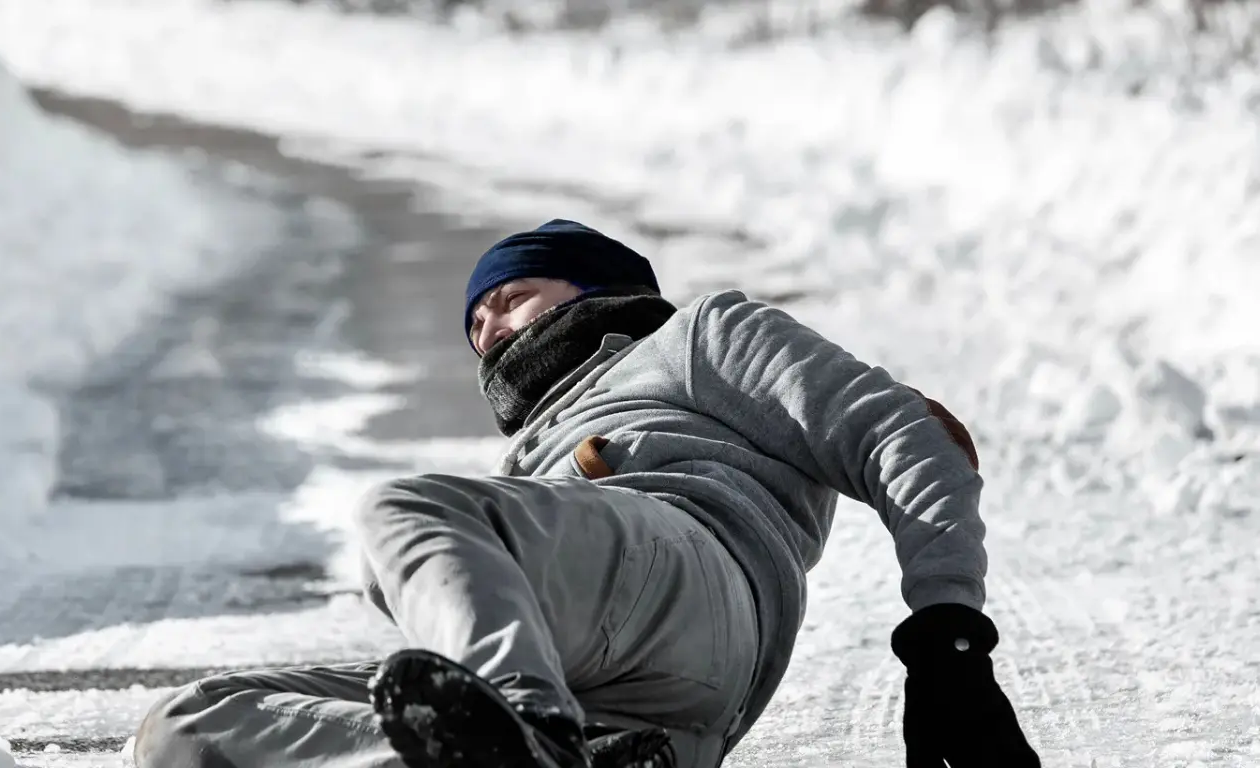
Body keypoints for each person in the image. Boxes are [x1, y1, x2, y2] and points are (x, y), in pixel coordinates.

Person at [133, 220, 1041, 768]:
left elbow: (906, 431)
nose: (489, 330)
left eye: (512, 298)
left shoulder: (699, 339)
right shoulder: (522, 472)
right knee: (184, 726)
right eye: (475, 326)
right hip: (634, 722)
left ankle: (525, 735)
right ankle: (533, 749)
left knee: (402, 513)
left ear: (595, 287)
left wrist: (948, 640)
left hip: (693, 577)